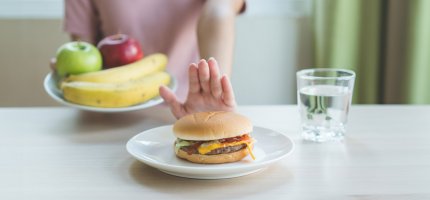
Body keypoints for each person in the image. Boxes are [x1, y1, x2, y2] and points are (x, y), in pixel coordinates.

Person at [63, 0, 245, 119]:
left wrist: (214, 95)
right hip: (109, 113)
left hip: (186, 110)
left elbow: (219, 12)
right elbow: (84, 49)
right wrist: (72, 73)